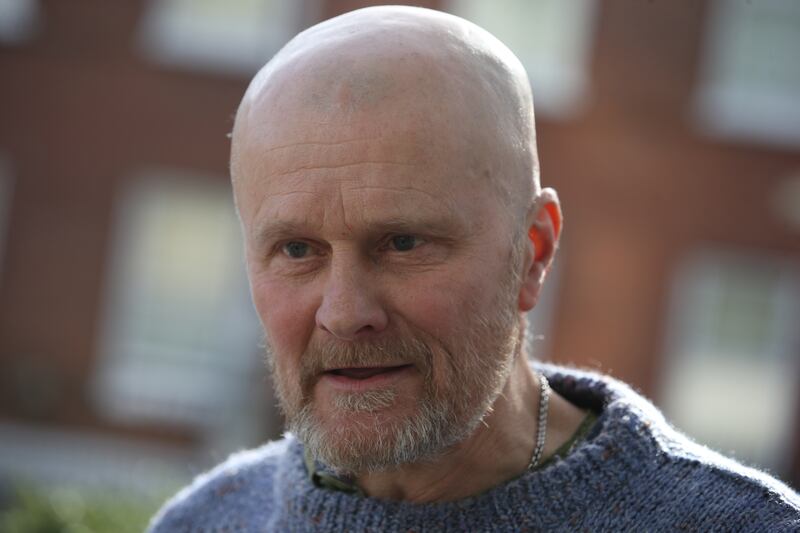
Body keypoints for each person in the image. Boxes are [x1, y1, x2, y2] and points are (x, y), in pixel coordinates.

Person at [148, 5, 799, 531]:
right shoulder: (204, 520)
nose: (344, 312)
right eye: (296, 250)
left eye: (402, 242)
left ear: (534, 251)